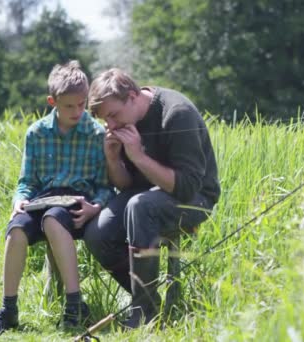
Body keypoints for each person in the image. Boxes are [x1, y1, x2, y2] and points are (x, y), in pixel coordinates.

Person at [0, 61, 114, 335]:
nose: (77, 111)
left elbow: (104, 186)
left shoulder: (96, 134)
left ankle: (74, 307)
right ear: (52, 102)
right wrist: (19, 200)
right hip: (43, 199)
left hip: (77, 202)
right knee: (16, 229)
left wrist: (95, 207)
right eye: (69, 106)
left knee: (54, 221)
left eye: (82, 104)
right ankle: (9, 310)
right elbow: (27, 181)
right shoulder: (37, 133)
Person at [84, 68, 221, 329]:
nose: (111, 125)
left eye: (113, 115)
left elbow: (186, 187)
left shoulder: (177, 114)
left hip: (196, 197)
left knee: (140, 207)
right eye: (106, 120)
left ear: (133, 96)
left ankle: (144, 316)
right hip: (145, 194)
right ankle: (150, 301)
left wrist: (138, 157)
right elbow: (126, 185)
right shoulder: (124, 122)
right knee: (97, 234)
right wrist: (113, 158)